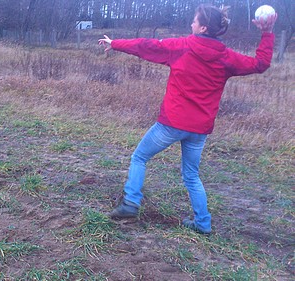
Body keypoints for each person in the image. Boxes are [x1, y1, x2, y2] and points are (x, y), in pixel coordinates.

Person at [98, 4, 277, 234]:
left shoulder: (182, 46)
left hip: (171, 124)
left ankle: (131, 203)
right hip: (199, 129)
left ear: (203, 27)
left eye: (194, 21)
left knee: (140, 157)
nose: (191, 24)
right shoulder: (226, 57)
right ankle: (203, 223)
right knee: (191, 175)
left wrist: (115, 44)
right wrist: (267, 33)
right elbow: (260, 64)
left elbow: (146, 46)